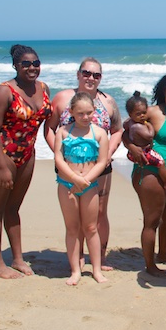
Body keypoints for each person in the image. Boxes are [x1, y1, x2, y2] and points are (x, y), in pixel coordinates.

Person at [44, 57, 123, 270]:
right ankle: (78, 258)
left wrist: (109, 153)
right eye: (86, 73)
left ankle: (100, 258)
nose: (91, 78)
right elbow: (50, 128)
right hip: (68, 167)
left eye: (96, 75)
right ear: (78, 74)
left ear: (101, 78)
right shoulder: (63, 98)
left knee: (99, 213)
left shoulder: (108, 101)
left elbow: (117, 130)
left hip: (100, 166)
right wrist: (59, 153)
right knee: (75, 215)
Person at [0, 44, 52, 279]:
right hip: (2, 153)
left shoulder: (44, 88)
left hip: (27, 154)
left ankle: (17, 259)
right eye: (26, 64)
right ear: (16, 66)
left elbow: (46, 122)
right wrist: (2, 166)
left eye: (36, 63)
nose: (32, 68)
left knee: (14, 208)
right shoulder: (4, 91)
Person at [124, 73, 166, 276]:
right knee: (152, 219)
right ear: (163, 93)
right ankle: (150, 265)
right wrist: (132, 148)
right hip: (149, 171)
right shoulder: (152, 112)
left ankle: (162, 253)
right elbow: (125, 131)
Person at [54, 93, 109, 285]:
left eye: (89, 113)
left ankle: (96, 269)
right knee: (72, 228)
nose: (85, 117)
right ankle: (75, 270)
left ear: (94, 111)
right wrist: (74, 177)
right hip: (67, 185)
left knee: (91, 228)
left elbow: (102, 161)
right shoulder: (62, 132)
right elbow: (59, 159)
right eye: (80, 114)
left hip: (89, 185)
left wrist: (86, 179)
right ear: (72, 112)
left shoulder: (100, 133)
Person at [123, 91, 166, 185]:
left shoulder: (130, 122)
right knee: (161, 163)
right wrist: (149, 125)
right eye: (138, 114)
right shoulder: (138, 126)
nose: (142, 116)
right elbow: (150, 136)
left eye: (144, 113)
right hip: (143, 152)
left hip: (133, 152)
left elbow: (124, 126)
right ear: (131, 114)